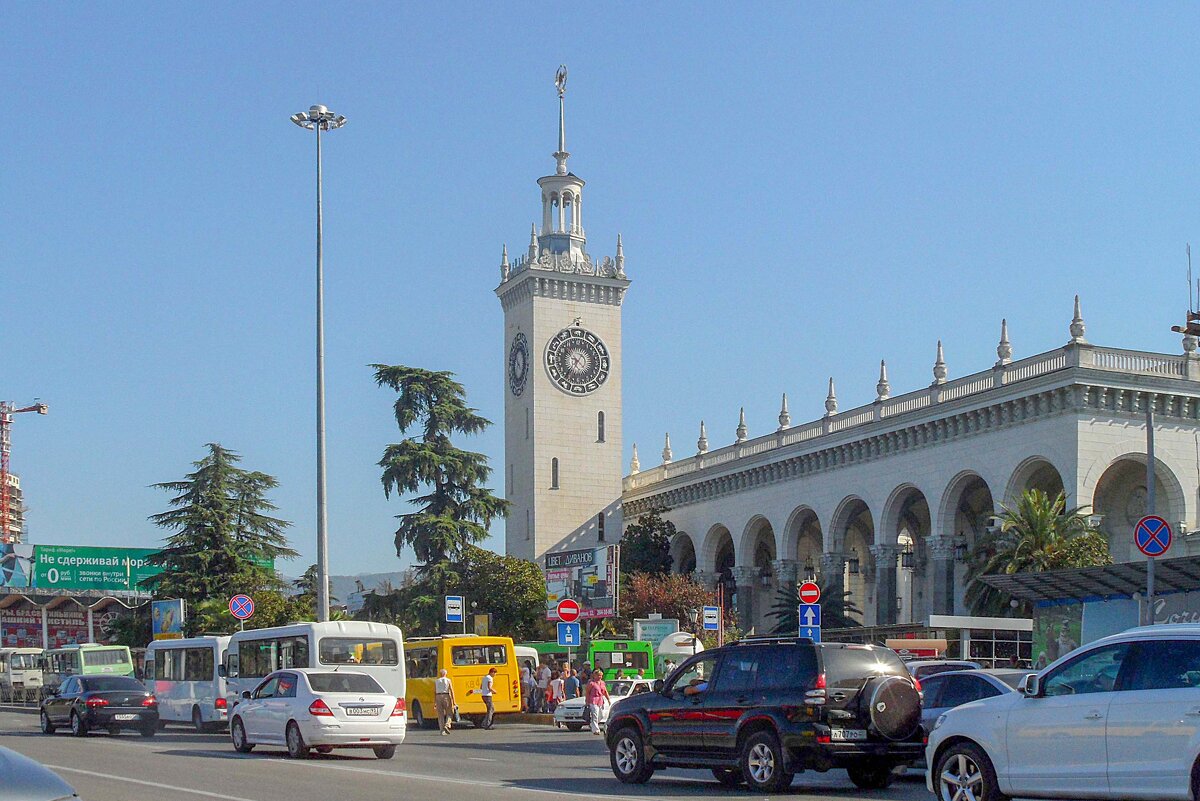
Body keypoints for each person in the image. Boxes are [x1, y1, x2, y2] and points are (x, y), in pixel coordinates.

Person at [584, 669, 609, 735]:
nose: (599, 677)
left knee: (601, 715)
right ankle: (596, 730)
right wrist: (587, 701)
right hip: (593, 700)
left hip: (600, 700)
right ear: (594, 676)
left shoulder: (602, 683)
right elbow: (587, 692)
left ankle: (592, 724)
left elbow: (605, 691)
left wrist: (608, 699)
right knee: (595, 714)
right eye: (598, 675)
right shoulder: (591, 683)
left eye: (601, 675)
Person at [434, 668, 456, 735]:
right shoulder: (448, 680)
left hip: (438, 696)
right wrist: (454, 701)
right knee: (449, 712)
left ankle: (442, 731)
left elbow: (434, 691)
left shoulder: (436, 681)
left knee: (440, 715)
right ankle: (447, 724)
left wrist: (435, 702)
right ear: (445, 674)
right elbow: (451, 690)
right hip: (446, 696)